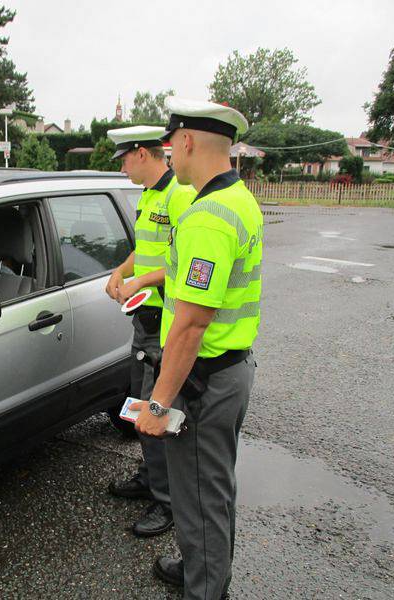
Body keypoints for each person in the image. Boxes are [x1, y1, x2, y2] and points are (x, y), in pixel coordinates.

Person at [130, 99, 262, 600]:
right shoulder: (239, 198)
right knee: (211, 485)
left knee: (200, 491)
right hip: (227, 371)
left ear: (185, 141)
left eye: (171, 144)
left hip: (204, 379)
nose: (171, 155)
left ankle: (205, 589)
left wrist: (159, 403)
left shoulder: (208, 216)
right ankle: (203, 568)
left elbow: (190, 325)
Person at [104, 125, 195, 537]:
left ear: (142, 153)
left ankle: (168, 503)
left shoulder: (180, 195)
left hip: (164, 325)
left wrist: (142, 281)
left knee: (158, 409)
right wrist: (121, 271)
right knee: (139, 406)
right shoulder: (149, 196)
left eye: (124, 159)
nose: (122, 168)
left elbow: (182, 265)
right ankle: (149, 477)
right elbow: (147, 249)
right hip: (144, 321)